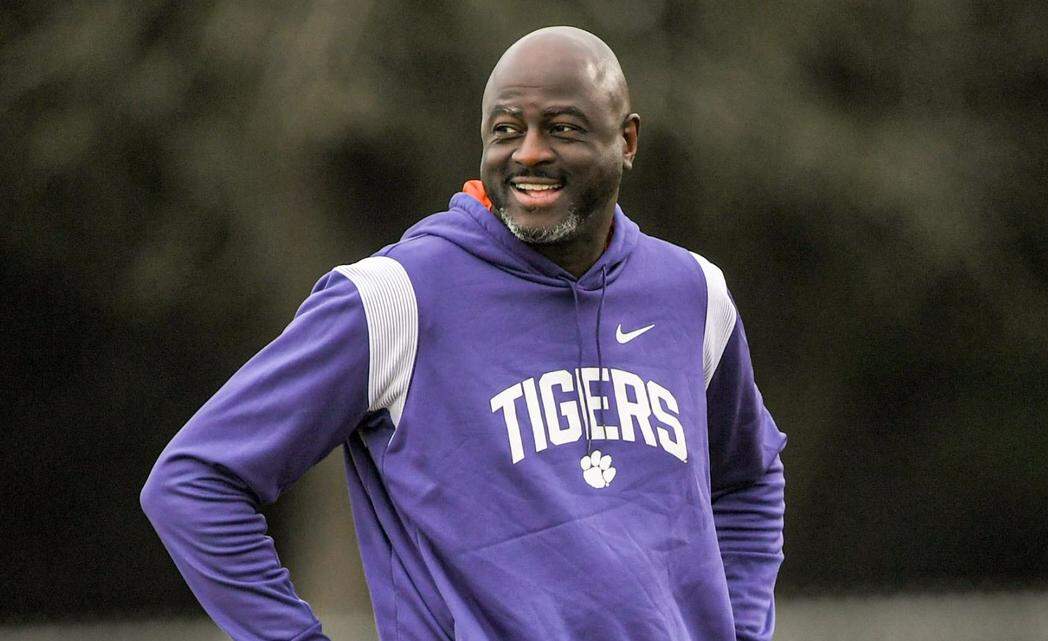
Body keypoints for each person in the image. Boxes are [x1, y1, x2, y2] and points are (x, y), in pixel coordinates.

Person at [141, 25, 787, 641]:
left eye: (561, 128)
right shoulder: (397, 297)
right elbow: (194, 483)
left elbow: (750, 478)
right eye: (506, 129)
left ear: (627, 140)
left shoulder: (694, 295)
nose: (529, 152)